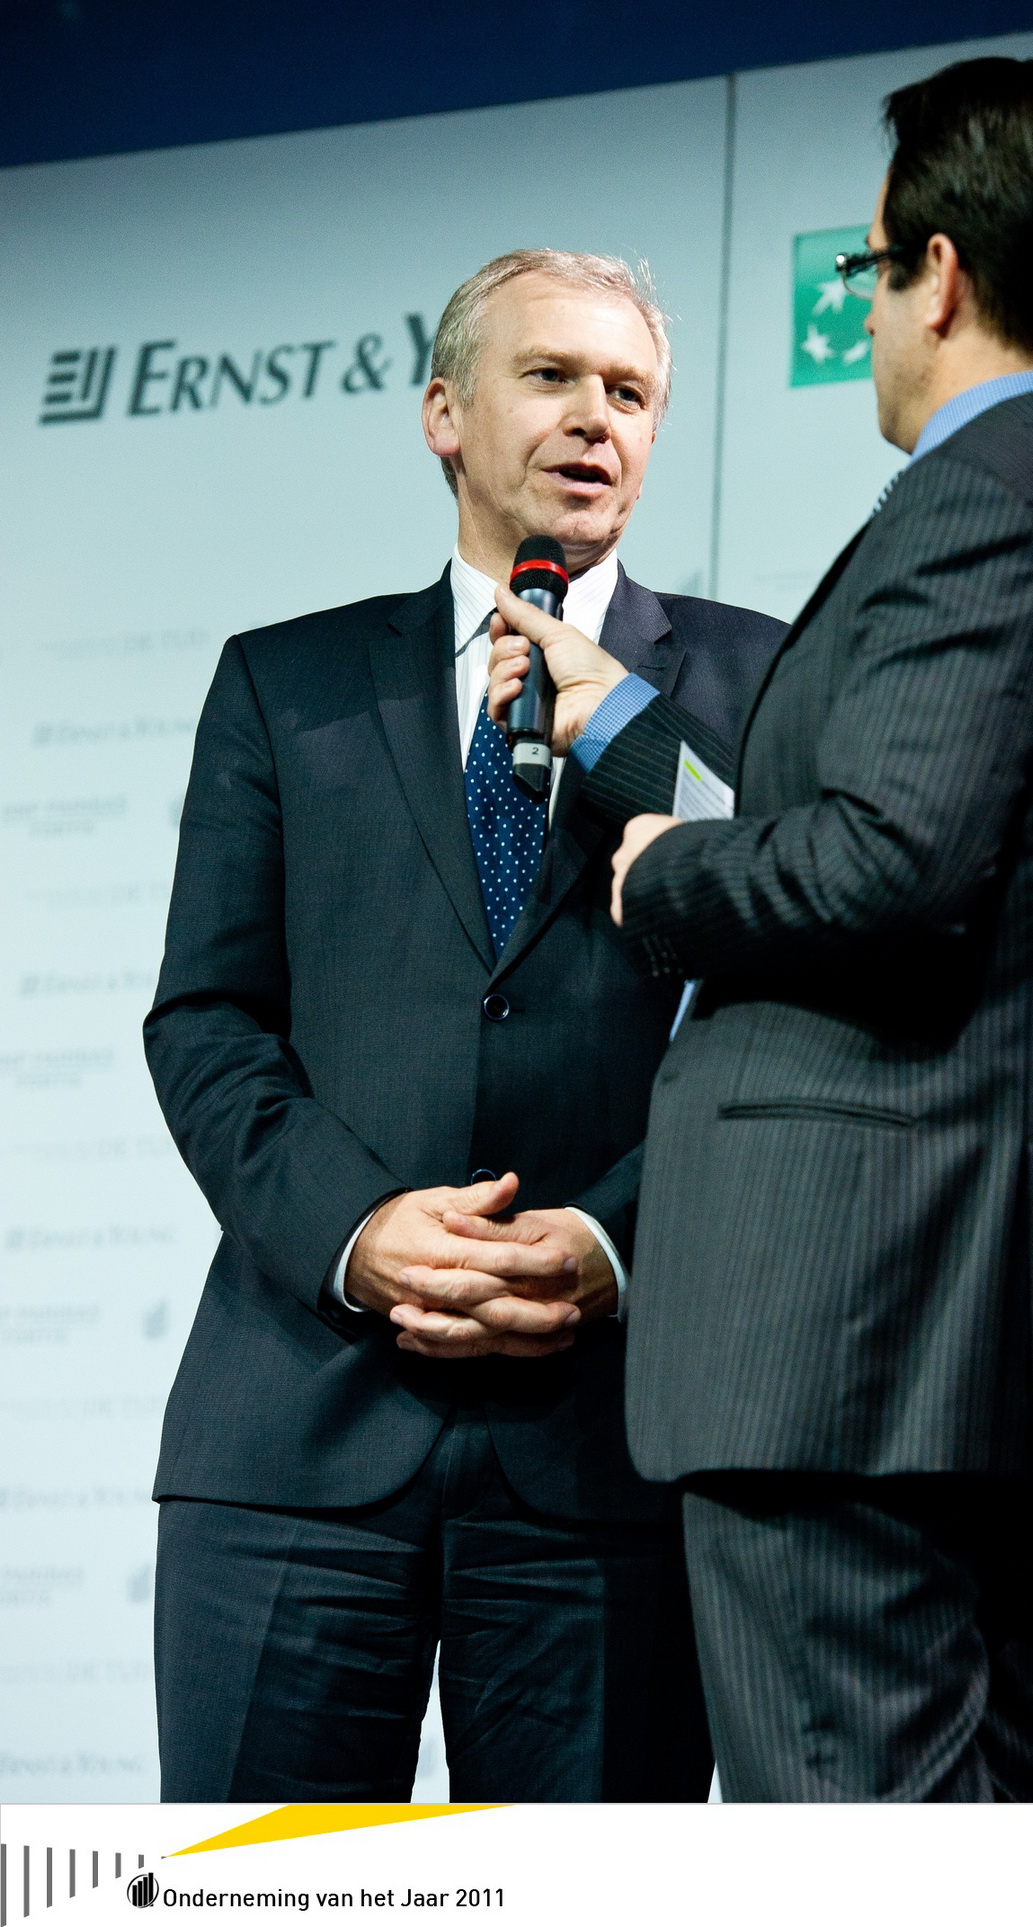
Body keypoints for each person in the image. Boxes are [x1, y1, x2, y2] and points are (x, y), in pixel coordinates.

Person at [487, 63, 1033, 1799]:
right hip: (972, 1343)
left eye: (870, 270)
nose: (872, 315)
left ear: (938, 277)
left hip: (847, 1336)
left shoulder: (976, 507)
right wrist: (619, 732)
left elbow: (885, 866)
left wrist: (663, 868)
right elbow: (926, 818)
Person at [144, 248, 785, 1801]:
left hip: (608, 1448)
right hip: (296, 1438)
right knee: (265, 1901)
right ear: (444, 413)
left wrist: (613, 1243)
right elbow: (210, 1020)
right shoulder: (288, 683)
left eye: (629, 392)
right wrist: (361, 1232)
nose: (595, 418)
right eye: (549, 377)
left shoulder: (759, 681)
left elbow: (782, 1008)